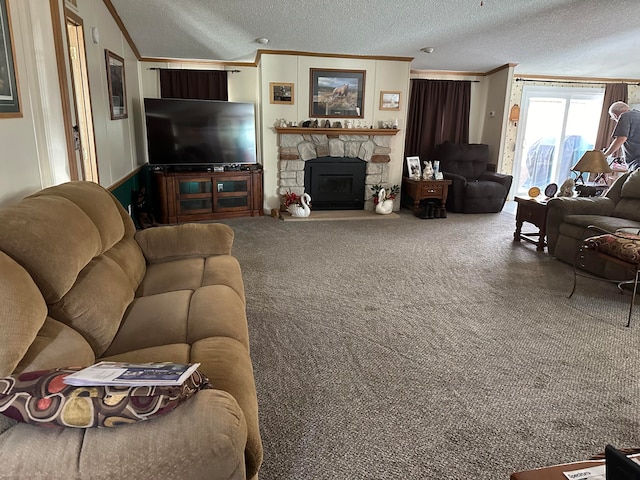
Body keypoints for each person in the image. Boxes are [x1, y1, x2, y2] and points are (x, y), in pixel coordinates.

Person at [603, 101, 640, 172]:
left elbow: (621, 139)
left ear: (615, 116)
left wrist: (605, 155)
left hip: (637, 164)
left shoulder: (625, 116)